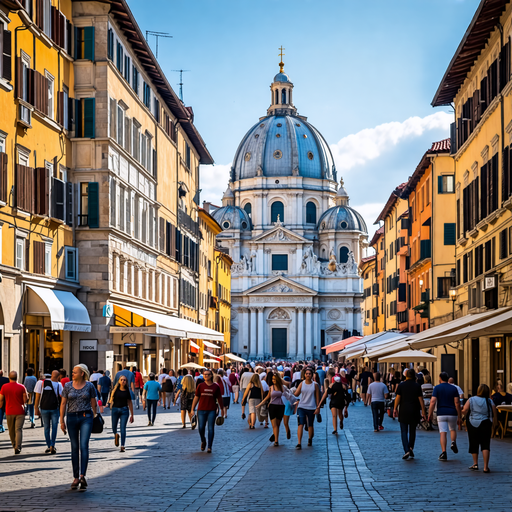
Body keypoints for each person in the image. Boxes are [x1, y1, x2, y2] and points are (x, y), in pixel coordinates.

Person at [60, 364, 98, 490]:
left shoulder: (90, 385)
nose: (72, 374)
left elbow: (93, 401)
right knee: (74, 447)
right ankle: (75, 477)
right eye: (72, 372)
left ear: (82, 373)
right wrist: (62, 420)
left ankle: (82, 476)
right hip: (71, 417)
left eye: (75, 372)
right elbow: (63, 403)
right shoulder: (67, 386)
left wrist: (95, 414)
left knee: (83, 445)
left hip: (86, 416)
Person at [462, 384, 497, 473]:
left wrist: (459, 410)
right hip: (486, 423)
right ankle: (485, 467)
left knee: (474, 443)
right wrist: (494, 424)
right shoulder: (489, 401)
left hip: (473, 423)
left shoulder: (471, 399)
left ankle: (475, 464)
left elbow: (465, 411)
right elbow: (494, 413)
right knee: (485, 444)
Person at [428, 372, 462, 461]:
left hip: (441, 413)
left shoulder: (437, 388)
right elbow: (457, 403)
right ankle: (453, 442)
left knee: (443, 432)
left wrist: (430, 413)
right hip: (452, 413)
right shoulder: (454, 388)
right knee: (453, 429)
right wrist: (459, 416)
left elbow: (432, 402)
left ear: (440, 378)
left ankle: (444, 452)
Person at [394, 369, 426, 460]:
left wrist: (395, 408)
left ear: (406, 375)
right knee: (413, 430)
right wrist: (423, 411)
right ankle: (411, 447)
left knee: (404, 431)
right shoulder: (417, 386)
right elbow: (421, 399)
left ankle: (406, 449)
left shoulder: (401, 385)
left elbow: (397, 398)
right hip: (414, 410)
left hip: (404, 410)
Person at [191, 368, 225, 453]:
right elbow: (196, 397)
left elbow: (219, 398)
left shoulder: (215, 386)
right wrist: (192, 409)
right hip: (201, 410)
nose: (206, 376)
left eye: (208, 374)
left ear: (211, 376)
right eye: (204, 374)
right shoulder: (200, 386)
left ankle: (209, 446)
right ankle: (203, 440)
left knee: (211, 428)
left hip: (212, 410)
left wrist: (222, 409)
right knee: (201, 428)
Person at [34, 370, 63, 454]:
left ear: (51, 376)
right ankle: (52, 445)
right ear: (58, 377)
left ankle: (48, 444)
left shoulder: (41, 383)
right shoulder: (59, 384)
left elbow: (37, 396)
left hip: (44, 408)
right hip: (54, 408)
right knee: (54, 427)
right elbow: (62, 397)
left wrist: (36, 408)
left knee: (46, 427)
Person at [0, 371, 28, 454]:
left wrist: (1, 405)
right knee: (18, 429)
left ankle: (14, 444)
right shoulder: (22, 387)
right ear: (17, 377)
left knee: (11, 430)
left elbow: (1, 399)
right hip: (20, 411)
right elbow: (25, 400)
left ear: (9, 377)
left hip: (9, 411)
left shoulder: (4, 387)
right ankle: (18, 446)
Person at [294, 367, 320, 449]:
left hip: (311, 407)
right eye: (307, 373)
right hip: (301, 407)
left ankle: (310, 439)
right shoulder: (302, 384)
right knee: (300, 424)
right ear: (304, 375)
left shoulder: (315, 385)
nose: (308, 375)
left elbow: (317, 397)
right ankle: (299, 443)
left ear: (312, 375)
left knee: (310, 425)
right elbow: (296, 394)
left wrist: (318, 407)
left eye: (309, 374)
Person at [257, 373, 286, 446]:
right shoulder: (271, 387)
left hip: (281, 406)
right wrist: (260, 404)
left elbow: (288, 396)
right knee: (274, 425)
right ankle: (276, 441)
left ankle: (275, 435)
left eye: (275, 379)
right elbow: (267, 397)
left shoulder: (282, 388)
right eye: (273, 379)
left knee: (278, 425)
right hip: (272, 406)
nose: (273, 380)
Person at [109, 374, 134, 452]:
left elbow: (130, 402)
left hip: (124, 410)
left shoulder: (127, 391)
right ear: (119, 381)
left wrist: (132, 414)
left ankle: (122, 445)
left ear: (126, 382)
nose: (123, 381)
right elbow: (111, 399)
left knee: (123, 428)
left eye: (124, 380)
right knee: (114, 426)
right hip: (115, 409)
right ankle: (116, 434)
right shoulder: (114, 390)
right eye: (121, 380)